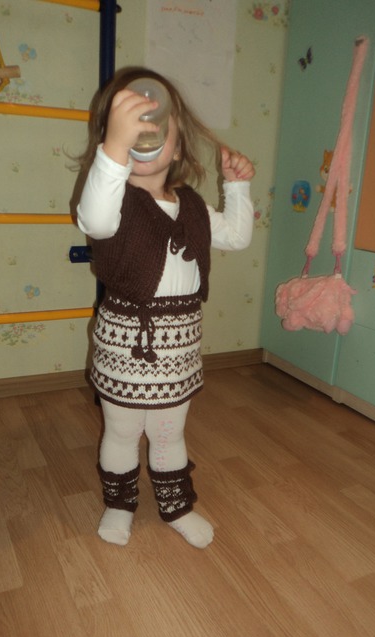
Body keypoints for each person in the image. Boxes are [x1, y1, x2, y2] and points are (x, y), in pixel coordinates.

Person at [77, 67, 255, 549]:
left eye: (156, 128)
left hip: (179, 349)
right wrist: (113, 150)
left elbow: (236, 237)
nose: (144, 137)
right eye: (130, 129)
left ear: (176, 148)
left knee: (169, 432)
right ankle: (119, 503)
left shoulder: (192, 206)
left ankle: (177, 506)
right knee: (122, 431)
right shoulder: (114, 203)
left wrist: (237, 188)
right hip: (125, 344)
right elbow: (93, 218)